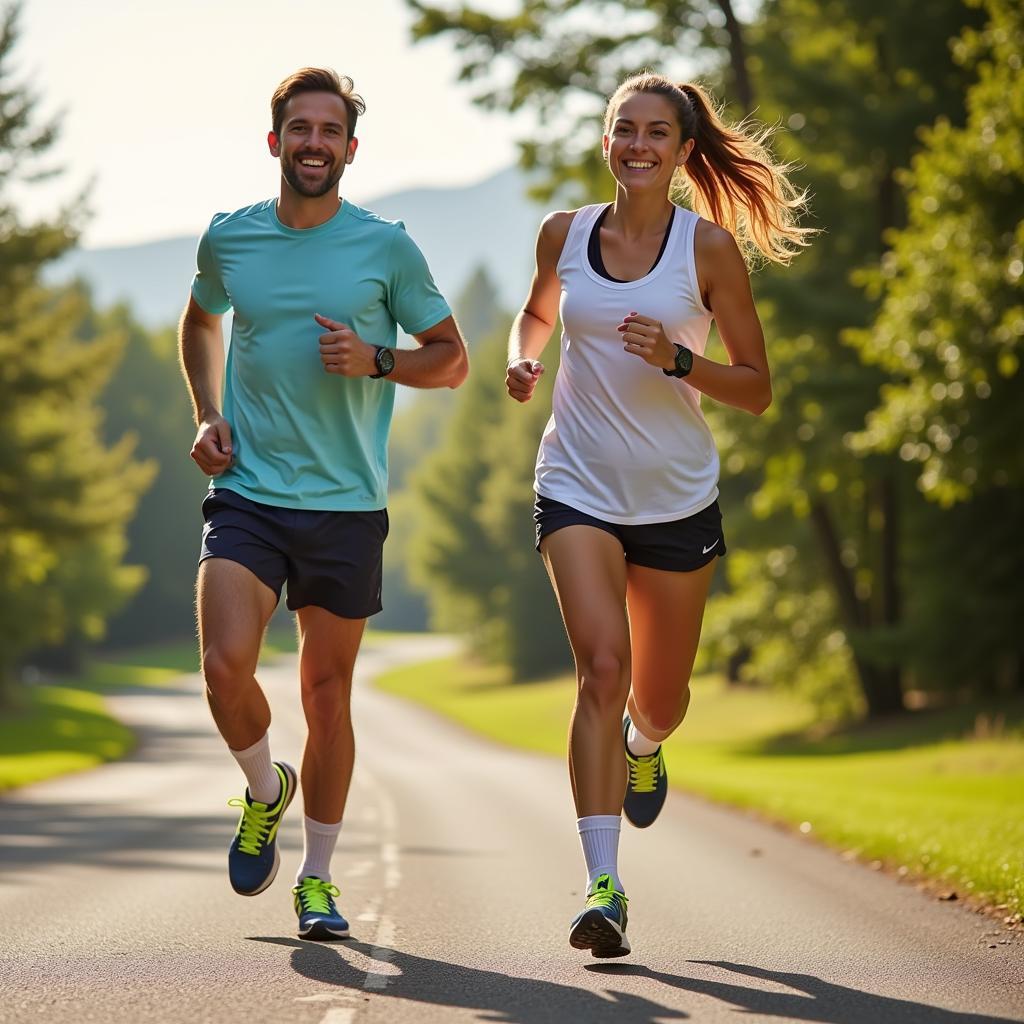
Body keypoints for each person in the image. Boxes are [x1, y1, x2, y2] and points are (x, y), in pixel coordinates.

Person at [505, 73, 810, 958]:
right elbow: (537, 312)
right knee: (602, 666)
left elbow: (756, 388)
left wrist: (683, 361)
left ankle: (647, 741)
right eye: (623, 130)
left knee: (661, 696)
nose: (637, 145)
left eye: (655, 134)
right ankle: (603, 886)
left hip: (677, 499)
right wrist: (525, 359)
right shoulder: (563, 234)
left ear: (681, 152)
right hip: (577, 485)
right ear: (606, 142)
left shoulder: (708, 251)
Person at [179, 67, 468, 941]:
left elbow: (451, 358)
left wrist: (379, 361)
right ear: (276, 142)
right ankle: (267, 791)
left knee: (327, 694)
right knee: (227, 665)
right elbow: (199, 321)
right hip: (249, 492)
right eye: (298, 129)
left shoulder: (386, 248)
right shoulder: (231, 240)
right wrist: (206, 411)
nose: (313, 143)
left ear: (350, 148)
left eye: (328, 130)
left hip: (346, 506)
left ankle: (318, 879)